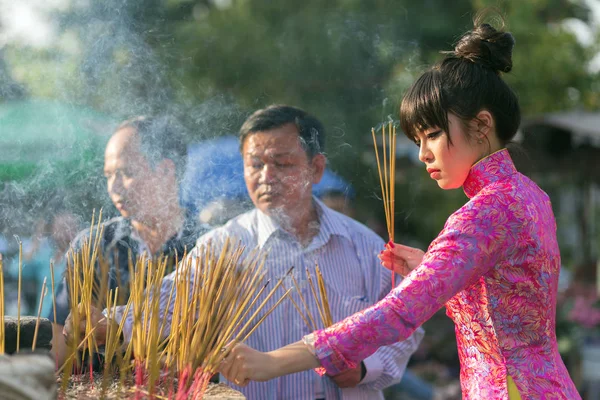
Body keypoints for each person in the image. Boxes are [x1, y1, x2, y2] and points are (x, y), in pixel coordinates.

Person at [217, 20, 581, 400]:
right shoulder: (530, 195)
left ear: (482, 125)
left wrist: (275, 361)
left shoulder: (486, 211)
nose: (423, 154)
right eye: (418, 139)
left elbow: (399, 312)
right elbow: (506, 307)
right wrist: (433, 268)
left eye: (434, 135)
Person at [67, 105, 424, 399]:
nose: (266, 176)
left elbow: (405, 326)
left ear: (315, 169)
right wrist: (112, 322)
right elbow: (171, 300)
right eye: (255, 164)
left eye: (282, 163)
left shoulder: (366, 248)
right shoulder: (224, 246)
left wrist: (365, 368)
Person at [51, 116, 207, 366]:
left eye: (126, 172)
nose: (114, 187)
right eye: (109, 175)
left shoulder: (208, 246)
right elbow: (58, 338)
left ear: (166, 170)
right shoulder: (91, 247)